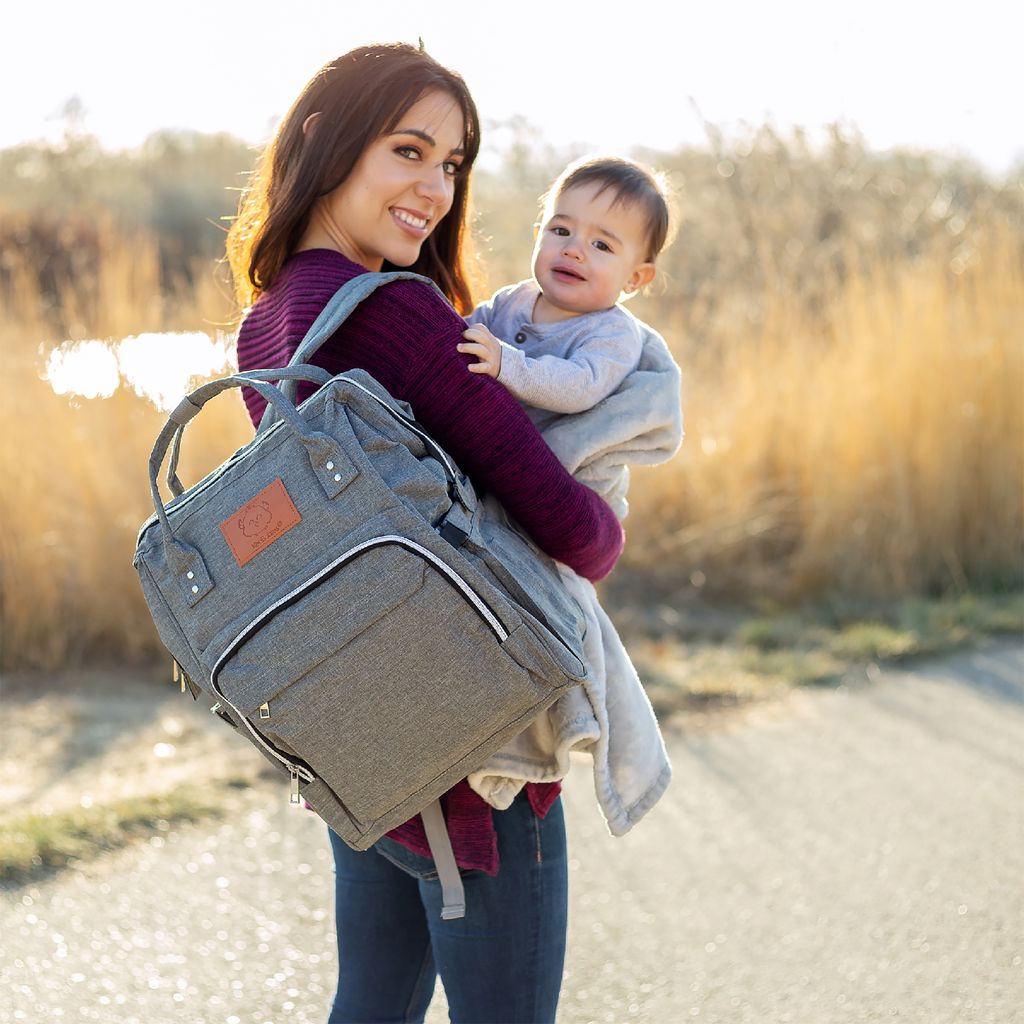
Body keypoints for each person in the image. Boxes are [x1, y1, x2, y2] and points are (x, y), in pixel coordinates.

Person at [226, 44, 624, 1024]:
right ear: (327, 141)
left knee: (369, 1004)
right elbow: (578, 534)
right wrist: (607, 496)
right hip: (475, 752)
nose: (436, 190)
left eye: (451, 164)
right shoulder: (399, 315)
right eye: (409, 151)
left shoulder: (267, 321)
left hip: (360, 735)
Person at [457, 157, 682, 835]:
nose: (574, 249)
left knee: (548, 596)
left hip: (575, 483)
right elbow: (460, 339)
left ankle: (555, 710)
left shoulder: (612, 333)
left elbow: (579, 388)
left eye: (603, 244)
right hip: (497, 475)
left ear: (636, 278)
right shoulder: (510, 304)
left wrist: (506, 363)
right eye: (561, 229)